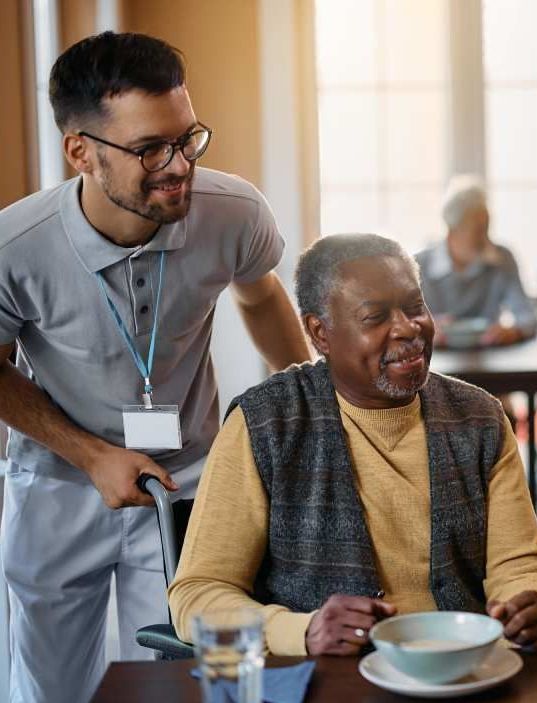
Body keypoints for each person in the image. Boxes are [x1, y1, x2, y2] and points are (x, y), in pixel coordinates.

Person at [0, 32, 311, 703]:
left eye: (187, 138)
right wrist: (89, 455)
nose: (178, 166)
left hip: (189, 478)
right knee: (52, 689)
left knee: (178, 679)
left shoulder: (234, 211)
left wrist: (310, 405)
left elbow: (260, 295)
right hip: (58, 484)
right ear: (80, 151)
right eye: (149, 149)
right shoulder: (15, 247)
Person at [169, 234, 537, 656]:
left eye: (415, 307)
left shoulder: (480, 418)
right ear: (320, 333)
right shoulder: (265, 424)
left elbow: (520, 563)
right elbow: (197, 594)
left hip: (460, 673)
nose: (408, 329)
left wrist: (534, 601)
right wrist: (301, 631)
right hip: (329, 681)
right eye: (375, 317)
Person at [416, 175, 537, 348]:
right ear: (452, 231)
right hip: (437, 364)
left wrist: (515, 331)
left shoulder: (501, 259)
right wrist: (424, 329)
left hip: (490, 360)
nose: (485, 239)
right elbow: (405, 325)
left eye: (487, 228)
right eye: (478, 230)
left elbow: (528, 317)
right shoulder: (419, 266)